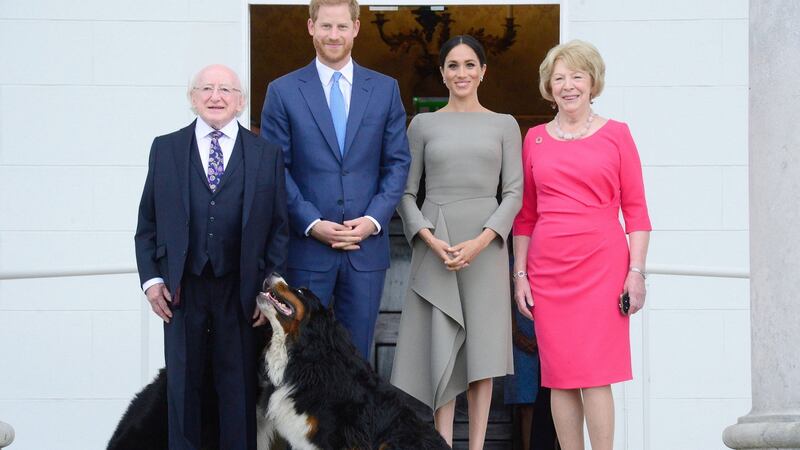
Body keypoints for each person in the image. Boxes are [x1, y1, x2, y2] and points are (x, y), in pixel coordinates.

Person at [134, 64, 288, 450]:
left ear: (240, 102)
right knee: (183, 388)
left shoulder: (266, 154)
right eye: (206, 88)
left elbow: (279, 230)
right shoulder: (165, 148)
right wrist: (152, 280)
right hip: (181, 291)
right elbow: (147, 222)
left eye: (225, 89)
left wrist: (267, 293)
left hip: (241, 292)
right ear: (192, 98)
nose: (215, 96)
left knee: (236, 390)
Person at [512, 40, 651, 450]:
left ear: (592, 82)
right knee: (559, 376)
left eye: (577, 76)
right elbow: (526, 216)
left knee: (595, 373)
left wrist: (636, 272)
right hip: (549, 269)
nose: (568, 86)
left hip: (603, 267)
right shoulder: (534, 139)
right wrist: (520, 275)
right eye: (559, 78)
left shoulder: (617, 135)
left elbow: (638, 211)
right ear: (548, 86)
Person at [391, 35, 522, 449]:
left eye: (469, 65)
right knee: (441, 344)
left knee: (481, 353)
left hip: (485, 247)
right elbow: (405, 193)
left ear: (484, 71)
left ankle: (478, 445)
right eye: (453, 65)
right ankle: (443, 442)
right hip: (438, 243)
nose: (461, 72)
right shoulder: (423, 125)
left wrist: (483, 241)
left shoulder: (505, 124)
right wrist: (429, 238)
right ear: (443, 73)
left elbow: (514, 193)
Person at [260, 0, 410, 359]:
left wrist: (373, 220)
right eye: (325, 26)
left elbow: (398, 163)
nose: (334, 35)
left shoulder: (385, 89)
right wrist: (312, 222)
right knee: (302, 360)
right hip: (307, 250)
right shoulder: (282, 91)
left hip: (365, 251)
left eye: (342, 26)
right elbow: (275, 169)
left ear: (356, 28)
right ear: (310, 27)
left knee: (356, 360)